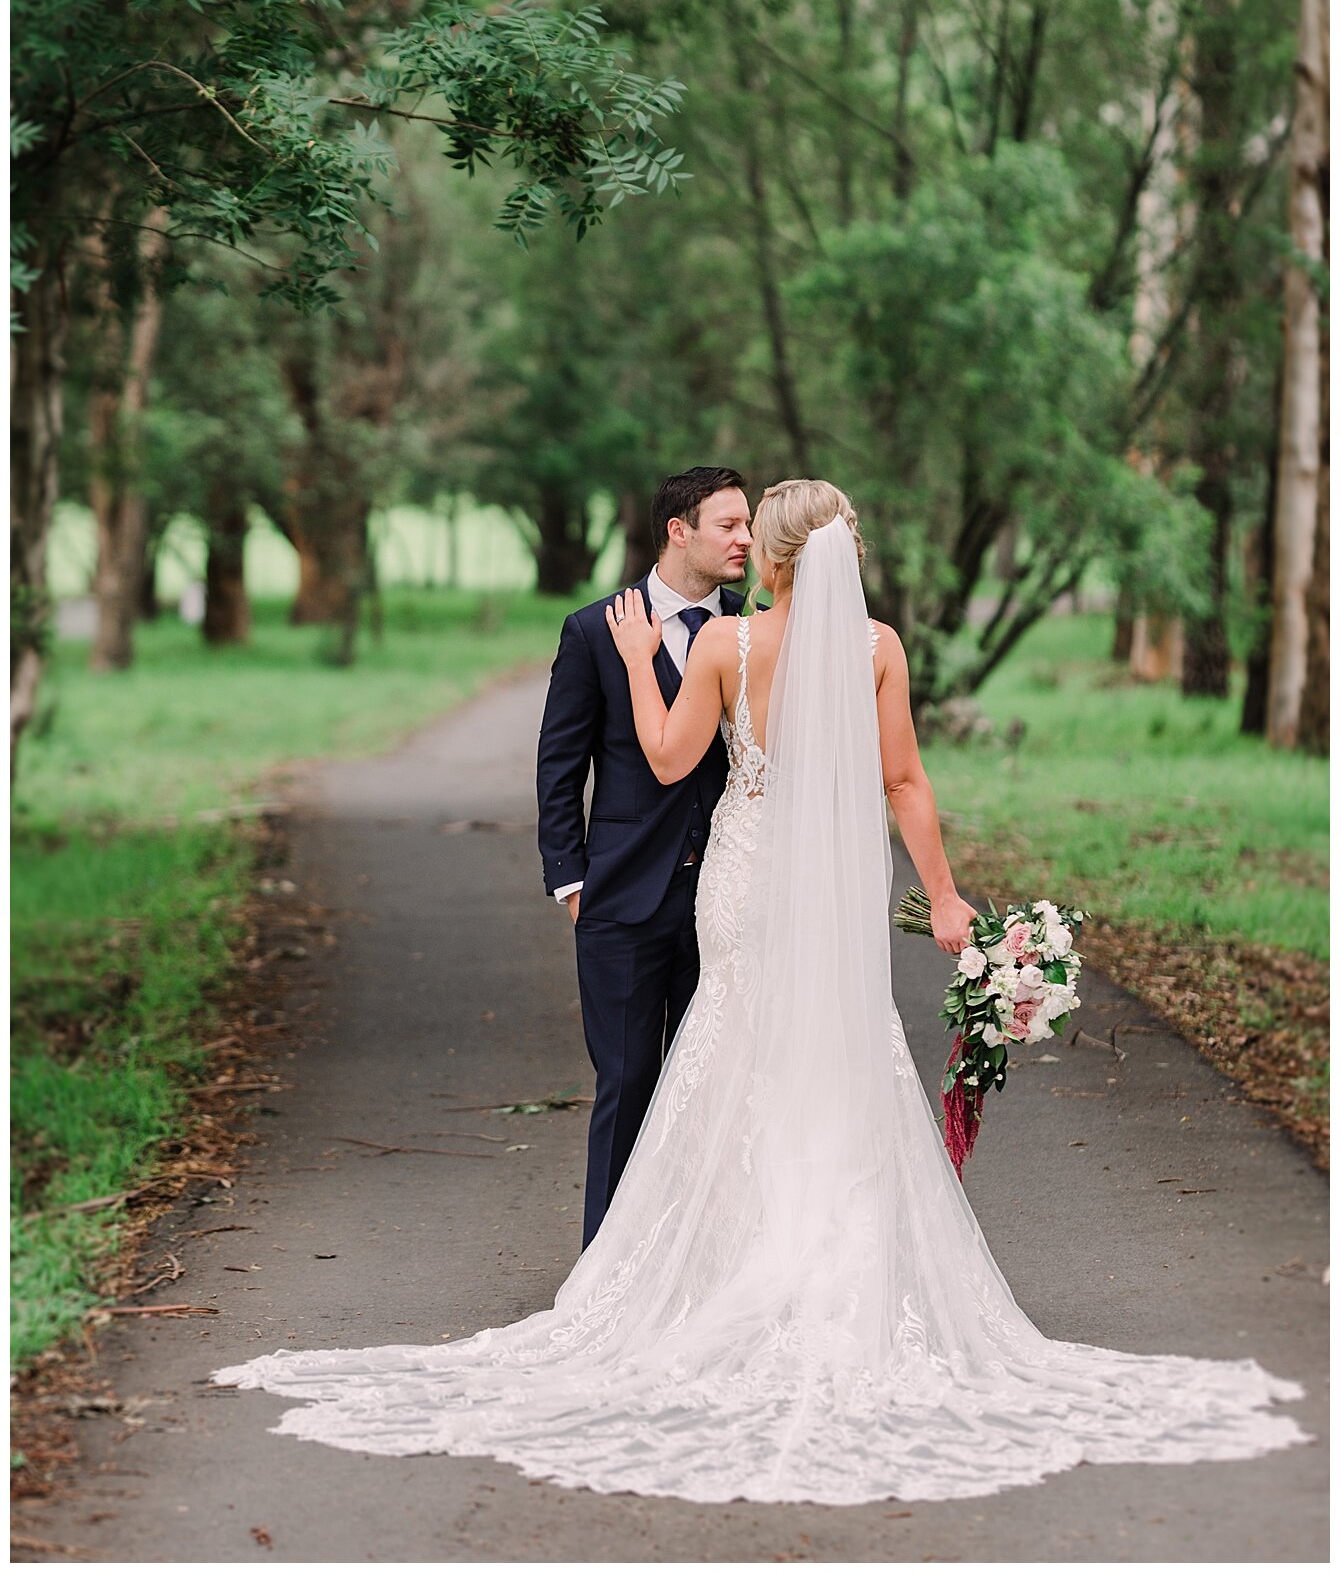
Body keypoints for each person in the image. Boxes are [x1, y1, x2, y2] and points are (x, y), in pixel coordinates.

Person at [214, 480, 1306, 1505]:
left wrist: (643, 657)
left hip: (740, 881)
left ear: (773, 558)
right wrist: (943, 893)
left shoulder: (731, 643)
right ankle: (828, 1269)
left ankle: (719, 1268)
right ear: (844, 556)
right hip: (831, 887)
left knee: (730, 1047)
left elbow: (660, 748)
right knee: (837, 1048)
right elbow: (904, 782)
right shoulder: (876, 648)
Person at [535, 464, 754, 1245]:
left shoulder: (752, 626)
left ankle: (699, 1262)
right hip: (621, 898)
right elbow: (560, 767)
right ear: (678, 530)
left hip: (726, 900)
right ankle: (608, 1267)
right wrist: (571, 882)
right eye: (728, 525)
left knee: (714, 1090)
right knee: (627, 1084)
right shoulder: (596, 630)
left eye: (749, 524)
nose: (746, 539)